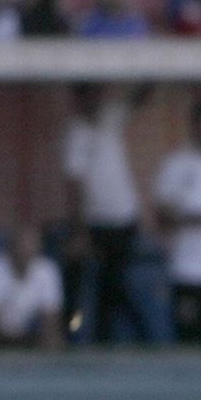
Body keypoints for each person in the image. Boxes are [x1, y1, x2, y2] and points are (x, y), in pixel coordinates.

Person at [60, 89, 146, 344]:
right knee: (80, 286)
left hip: (124, 221)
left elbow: (140, 97)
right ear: (78, 100)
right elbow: (75, 188)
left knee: (115, 285)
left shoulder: (111, 117)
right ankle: (73, 335)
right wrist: (79, 233)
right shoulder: (76, 134)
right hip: (94, 225)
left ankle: (108, 340)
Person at [150, 99, 201, 343]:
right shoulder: (176, 164)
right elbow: (161, 214)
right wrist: (190, 218)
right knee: (188, 341)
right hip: (186, 271)